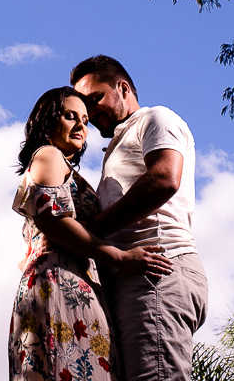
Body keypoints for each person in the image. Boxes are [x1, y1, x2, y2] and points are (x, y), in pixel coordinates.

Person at [9, 86, 172, 381]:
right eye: (70, 116)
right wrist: (118, 257)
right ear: (47, 120)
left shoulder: (64, 166)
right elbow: (52, 218)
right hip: (58, 280)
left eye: (85, 120)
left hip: (78, 283)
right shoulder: (48, 155)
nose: (81, 126)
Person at [71, 55, 208, 381]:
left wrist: (95, 229)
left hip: (155, 271)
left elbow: (164, 179)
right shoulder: (119, 143)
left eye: (95, 98)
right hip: (133, 277)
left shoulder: (156, 118)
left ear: (123, 88)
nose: (90, 112)